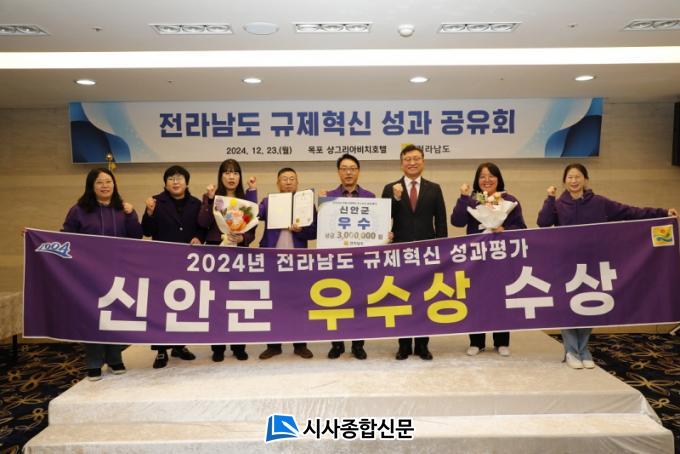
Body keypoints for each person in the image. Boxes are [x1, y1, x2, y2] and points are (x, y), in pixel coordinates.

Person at [537, 163, 678, 370]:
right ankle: (571, 351)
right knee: (568, 307)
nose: (574, 181)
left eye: (578, 176)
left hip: (593, 263)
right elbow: (543, 222)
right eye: (570, 177)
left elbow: (629, 212)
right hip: (566, 265)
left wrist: (662, 213)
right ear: (564, 181)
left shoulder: (599, 203)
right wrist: (549, 198)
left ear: (585, 179)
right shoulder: (558, 204)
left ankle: (584, 349)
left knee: (589, 306)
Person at [62, 168, 143, 381]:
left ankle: (115, 358)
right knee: (93, 317)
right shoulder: (78, 210)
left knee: (115, 316)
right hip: (89, 274)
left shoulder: (122, 209)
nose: (105, 186)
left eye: (108, 181)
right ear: (91, 186)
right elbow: (66, 238)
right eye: (99, 182)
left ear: (114, 184)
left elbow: (136, 237)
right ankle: (94, 361)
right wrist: (35, 236)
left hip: (118, 273)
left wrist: (131, 215)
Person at [450, 162, 527, 357]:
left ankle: (502, 341)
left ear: (498, 179)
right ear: (477, 180)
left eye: (491, 176)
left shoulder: (509, 200)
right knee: (476, 298)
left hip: (501, 257)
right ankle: (476, 341)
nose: (487, 180)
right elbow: (457, 221)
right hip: (476, 258)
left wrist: (505, 229)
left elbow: (521, 228)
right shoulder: (473, 200)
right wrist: (463, 197)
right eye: (482, 176)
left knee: (500, 297)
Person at [381, 144, 447, 360]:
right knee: (401, 298)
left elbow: (441, 222)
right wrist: (396, 199)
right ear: (401, 164)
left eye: (416, 158)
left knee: (425, 298)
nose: (412, 162)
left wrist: (442, 251)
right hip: (400, 253)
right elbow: (382, 220)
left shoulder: (434, 188)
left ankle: (422, 345)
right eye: (407, 159)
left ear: (423, 161)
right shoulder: (390, 188)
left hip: (426, 253)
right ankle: (403, 345)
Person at [142, 165, 204, 369]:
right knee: (161, 306)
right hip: (162, 262)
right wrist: (149, 213)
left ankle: (180, 345)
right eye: (171, 178)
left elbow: (202, 228)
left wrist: (199, 237)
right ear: (165, 183)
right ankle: (161, 350)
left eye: (179, 178)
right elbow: (147, 231)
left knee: (185, 303)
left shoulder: (196, 203)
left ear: (187, 182)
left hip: (188, 262)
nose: (175, 182)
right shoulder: (155, 201)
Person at [197, 159, 257, 362]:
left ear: (240, 176)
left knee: (239, 298)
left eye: (235, 173)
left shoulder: (245, 199)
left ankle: (239, 345)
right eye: (227, 172)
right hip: (217, 252)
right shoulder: (213, 197)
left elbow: (252, 231)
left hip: (239, 253)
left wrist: (242, 238)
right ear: (220, 176)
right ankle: (218, 346)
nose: (231, 177)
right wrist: (209, 200)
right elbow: (202, 223)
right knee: (217, 301)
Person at [257, 167, 317, 360]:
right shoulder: (269, 201)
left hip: (297, 262)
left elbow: (314, 232)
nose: (288, 182)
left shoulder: (306, 203)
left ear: (297, 183)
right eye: (284, 179)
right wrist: (251, 191)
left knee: (299, 303)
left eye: (292, 179)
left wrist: (301, 231)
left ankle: (300, 344)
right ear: (278, 183)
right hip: (273, 261)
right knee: (273, 303)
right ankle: (273, 345)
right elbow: (254, 215)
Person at [324, 154, 375, 360]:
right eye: (344, 168)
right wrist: (321, 207)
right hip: (336, 259)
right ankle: (337, 344)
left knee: (359, 302)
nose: (348, 172)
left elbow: (375, 226)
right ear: (338, 172)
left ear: (358, 171)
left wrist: (384, 235)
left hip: (360, 260)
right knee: (335, 300)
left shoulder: (370, 197)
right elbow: (322, 229)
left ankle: (358, 344)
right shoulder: (328, 197)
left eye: (352, 168)